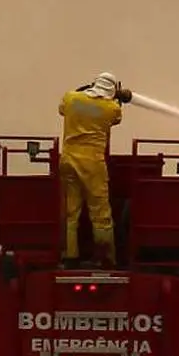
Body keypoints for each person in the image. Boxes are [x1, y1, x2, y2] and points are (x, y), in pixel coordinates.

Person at [58, 72, 129, 267]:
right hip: (92, 163)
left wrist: (85, 89)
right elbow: (116, 118)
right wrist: (118, 97)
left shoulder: (71, 98)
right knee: (100, 212)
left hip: (68, 159)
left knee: (71, 211)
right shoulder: (111, 108)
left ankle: (70, 256)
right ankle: (105, 257)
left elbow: (62, 109)